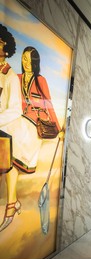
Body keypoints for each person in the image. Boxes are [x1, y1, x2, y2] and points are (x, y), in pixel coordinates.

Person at [0, 45, 63, 232]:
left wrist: (57, 128)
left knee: (10, 151)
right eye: (24, 59)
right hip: (19, 122)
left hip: (34, 126)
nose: (26, 63)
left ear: (35, 62)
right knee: (8, 156)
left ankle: (12, 205)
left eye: (30, 60)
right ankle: (12, 204)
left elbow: (48, 103)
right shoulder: (16, 78)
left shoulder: (40, 80)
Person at [0, 24, 23, 232]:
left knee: (7, 168)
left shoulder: (10, 76)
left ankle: (11, 204)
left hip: (5, 130)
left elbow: (16, 109)